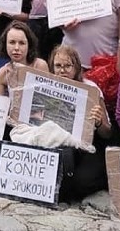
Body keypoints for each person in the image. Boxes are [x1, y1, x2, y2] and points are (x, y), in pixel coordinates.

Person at [48, 44, 112, 200]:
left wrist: (98, 122)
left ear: (76, 67)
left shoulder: (91, 88)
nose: (62, 71)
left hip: (86, 145)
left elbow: (107, 132)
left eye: (68, 66)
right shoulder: (45, 85)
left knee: (82, 182)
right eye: (58, 66)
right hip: (56, 141)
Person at [0, 21, 49, 96]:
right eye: (12, 42)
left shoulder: (40, 66)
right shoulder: (2, 73)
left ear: (29, 45)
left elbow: (48, 98)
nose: (16, 48)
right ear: (5, 44)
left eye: (21, 43)